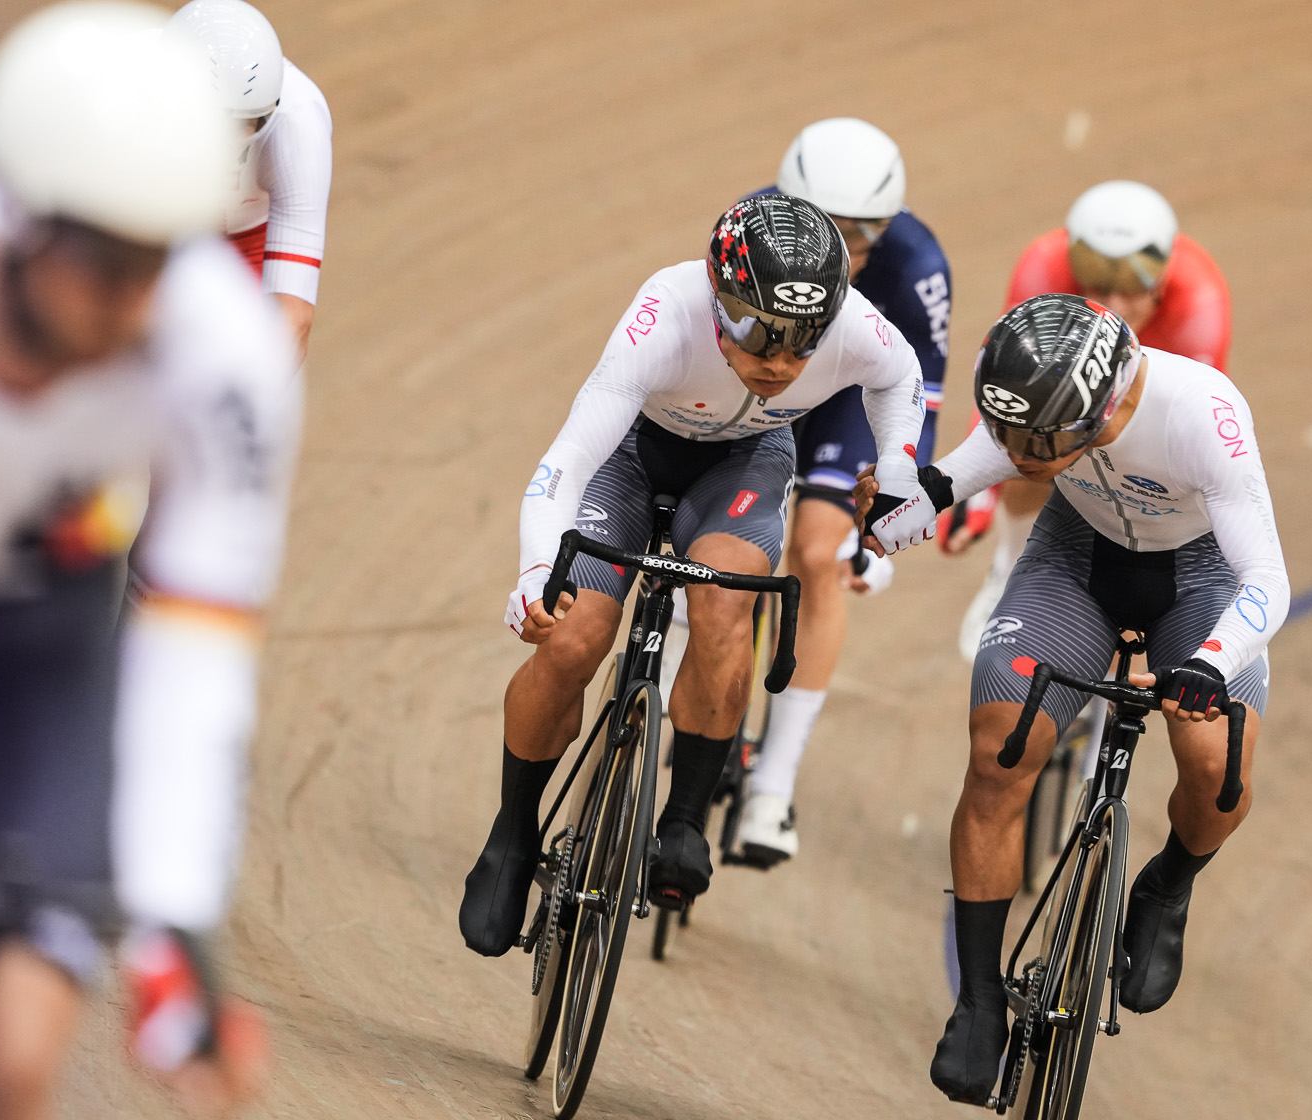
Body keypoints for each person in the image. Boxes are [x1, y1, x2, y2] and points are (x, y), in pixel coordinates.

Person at [0, 4, 301, 1120]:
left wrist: (175, 923)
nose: (141, 300)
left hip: (46, 658)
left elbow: (198, 652)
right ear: (24, 222)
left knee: (22, 1054)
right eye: (110, 262)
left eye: (163, 259)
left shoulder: (222, 351)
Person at [458, 192, 926, 957]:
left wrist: (899, 463)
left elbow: (902, 375)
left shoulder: (852, 325)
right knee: (576, 639)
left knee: (722, 601)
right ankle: (512, 830)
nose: (778, 362)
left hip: (747, 461)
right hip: (634, 456)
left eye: (801, 343)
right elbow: (567, 465)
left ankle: (683, 815)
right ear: (717, 298)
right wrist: (537, 570)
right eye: (756, 334)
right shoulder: (665, 312)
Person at [857, 295, 1286, 1103]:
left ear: (1099, 409)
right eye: (1007, 432)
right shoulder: (1039, 407)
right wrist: (882, 520)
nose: (1014, 453)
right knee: (999, 750)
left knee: (1217, 770)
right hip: (1076, 561)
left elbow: (1267, 579)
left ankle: (1167, 883)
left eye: (1032, 443)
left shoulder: (1204, 413)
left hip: (1198, 583)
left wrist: (1208, 662)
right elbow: (943, 488)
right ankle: (981, 999)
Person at [731, 117, 951, 864]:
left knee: (816, 555)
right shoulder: (753, 224)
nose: (848, 252)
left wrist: (883, 515)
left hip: (855, 404)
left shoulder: (918, 263)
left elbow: (921, 401)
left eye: (865, 235)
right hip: (765, 379)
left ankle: (772, 788)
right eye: (831, 230)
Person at [945, 181, 1231, 660]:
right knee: (1032, 446)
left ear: (1161, 280)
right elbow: (1008, 386)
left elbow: (1192, 425)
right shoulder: (1043, 267)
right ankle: (1010, 571)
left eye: (1131, 288)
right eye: (1098, 286)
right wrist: (978, 490)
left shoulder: (1198, 301)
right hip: (1063, 402)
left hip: (1151, 408)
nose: (1115, 307)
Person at [168, 0, 333, 361]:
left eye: (251, 121)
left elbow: (293, 319)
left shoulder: (299, 121)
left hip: (248, 238)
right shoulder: (122, 90)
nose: (235, 138)